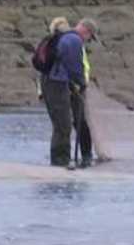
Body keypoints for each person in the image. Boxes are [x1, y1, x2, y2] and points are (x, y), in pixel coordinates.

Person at [42, 18, 98, 168]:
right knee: (63, 125)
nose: (88, 41)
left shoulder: (65, 38)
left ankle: (64, 160)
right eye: (89, 37)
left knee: (67, 123)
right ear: (86, 31)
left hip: (61, 83)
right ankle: (60, 162)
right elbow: (74, 66)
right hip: (58, 83)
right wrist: (81, 83)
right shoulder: (74, 40)